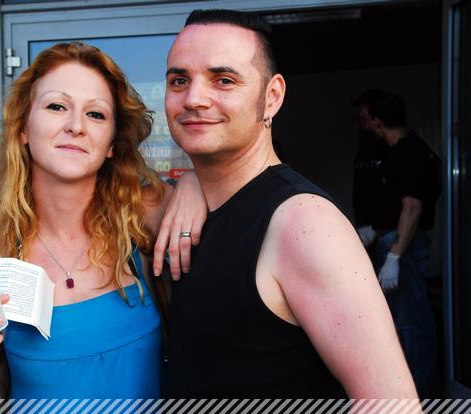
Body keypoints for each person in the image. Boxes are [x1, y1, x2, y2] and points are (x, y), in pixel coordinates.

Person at [162, 9, 418, 398]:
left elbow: (391, 403)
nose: (194, 98)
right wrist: (189, 181)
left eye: (224, 80)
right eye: (179, 80)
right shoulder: (197, 206)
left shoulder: (304, 224)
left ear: (272, 97)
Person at [0, 42, 206, 398]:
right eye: (57, 106)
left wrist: (194, 182)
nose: (76, 126)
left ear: (111, 143)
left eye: (95, 114)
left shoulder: (142, 219)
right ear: (23, 128)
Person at [354, 88, 441, 397]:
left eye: (365, 117)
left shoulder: (410, 151)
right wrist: (375, 230)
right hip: (392, 241)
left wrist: (394, 257)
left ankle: (419, 397)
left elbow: (412, 207)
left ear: (378, 119)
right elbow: (394, 204)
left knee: (412, 321)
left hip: (404, 247)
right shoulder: (392, 151)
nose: (363, 124)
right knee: (399, 319)